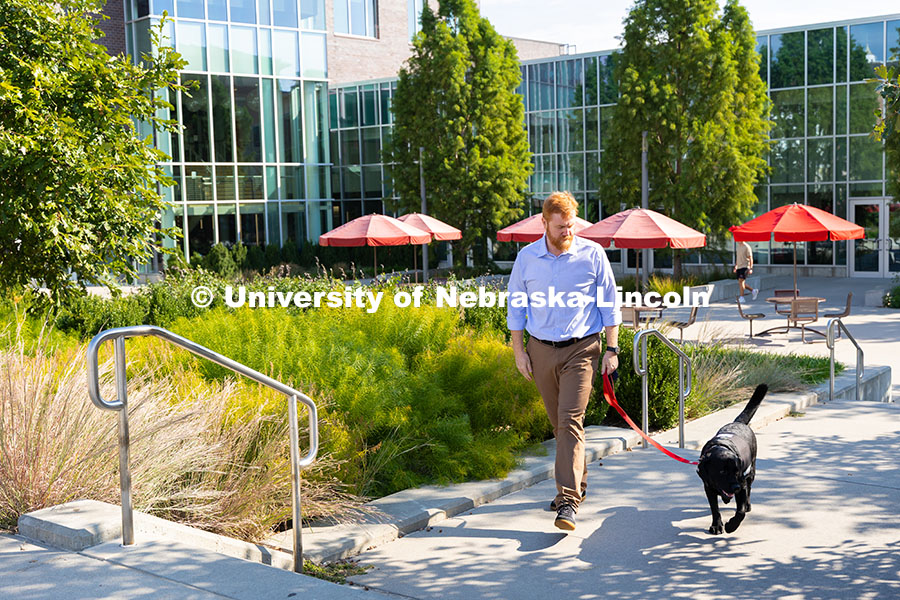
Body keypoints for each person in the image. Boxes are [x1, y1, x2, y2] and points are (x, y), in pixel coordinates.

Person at [507, 191, 621, 531]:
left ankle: (568, 501)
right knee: (561, 426)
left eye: (570, 226)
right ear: (544, 223)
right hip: (540, 348)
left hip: (582, 349)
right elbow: (516, 307)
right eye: (560, 227)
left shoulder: (593, 254)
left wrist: (612, 349)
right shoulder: (527, 258)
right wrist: (519, 351)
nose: (567, 232)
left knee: (571, 419)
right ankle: (578, 484)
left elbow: (609, 304)